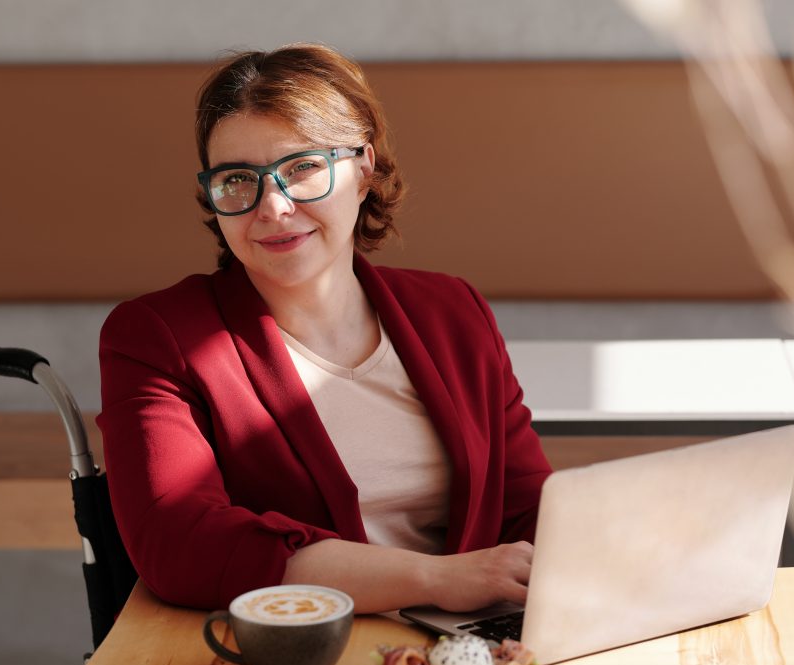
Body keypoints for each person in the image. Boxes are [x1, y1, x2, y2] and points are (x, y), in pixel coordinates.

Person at [97, 43, 552, 613]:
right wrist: (436, 580)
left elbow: (527, 508)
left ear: (363, 168)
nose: (273, 207)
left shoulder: (452, 309)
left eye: (303, 168)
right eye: (238, 179)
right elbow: (179, 544)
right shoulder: (156, 336)